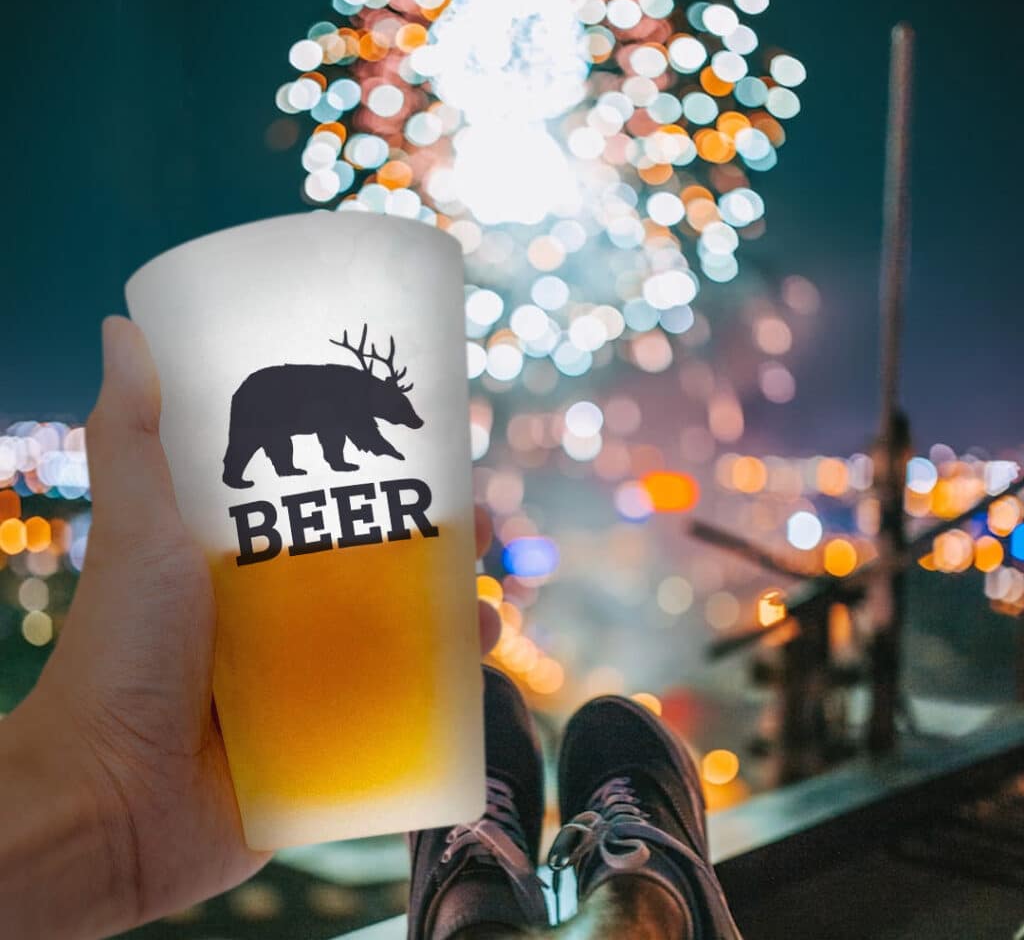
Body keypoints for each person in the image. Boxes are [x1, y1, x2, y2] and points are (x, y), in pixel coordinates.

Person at [0, 317, 741, 939]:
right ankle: (652, 907)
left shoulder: (346, 399)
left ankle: (470, 903)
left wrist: (106, 796)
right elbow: (346, 441)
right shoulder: (332, 397)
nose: (402, 421)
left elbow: (351, 440)